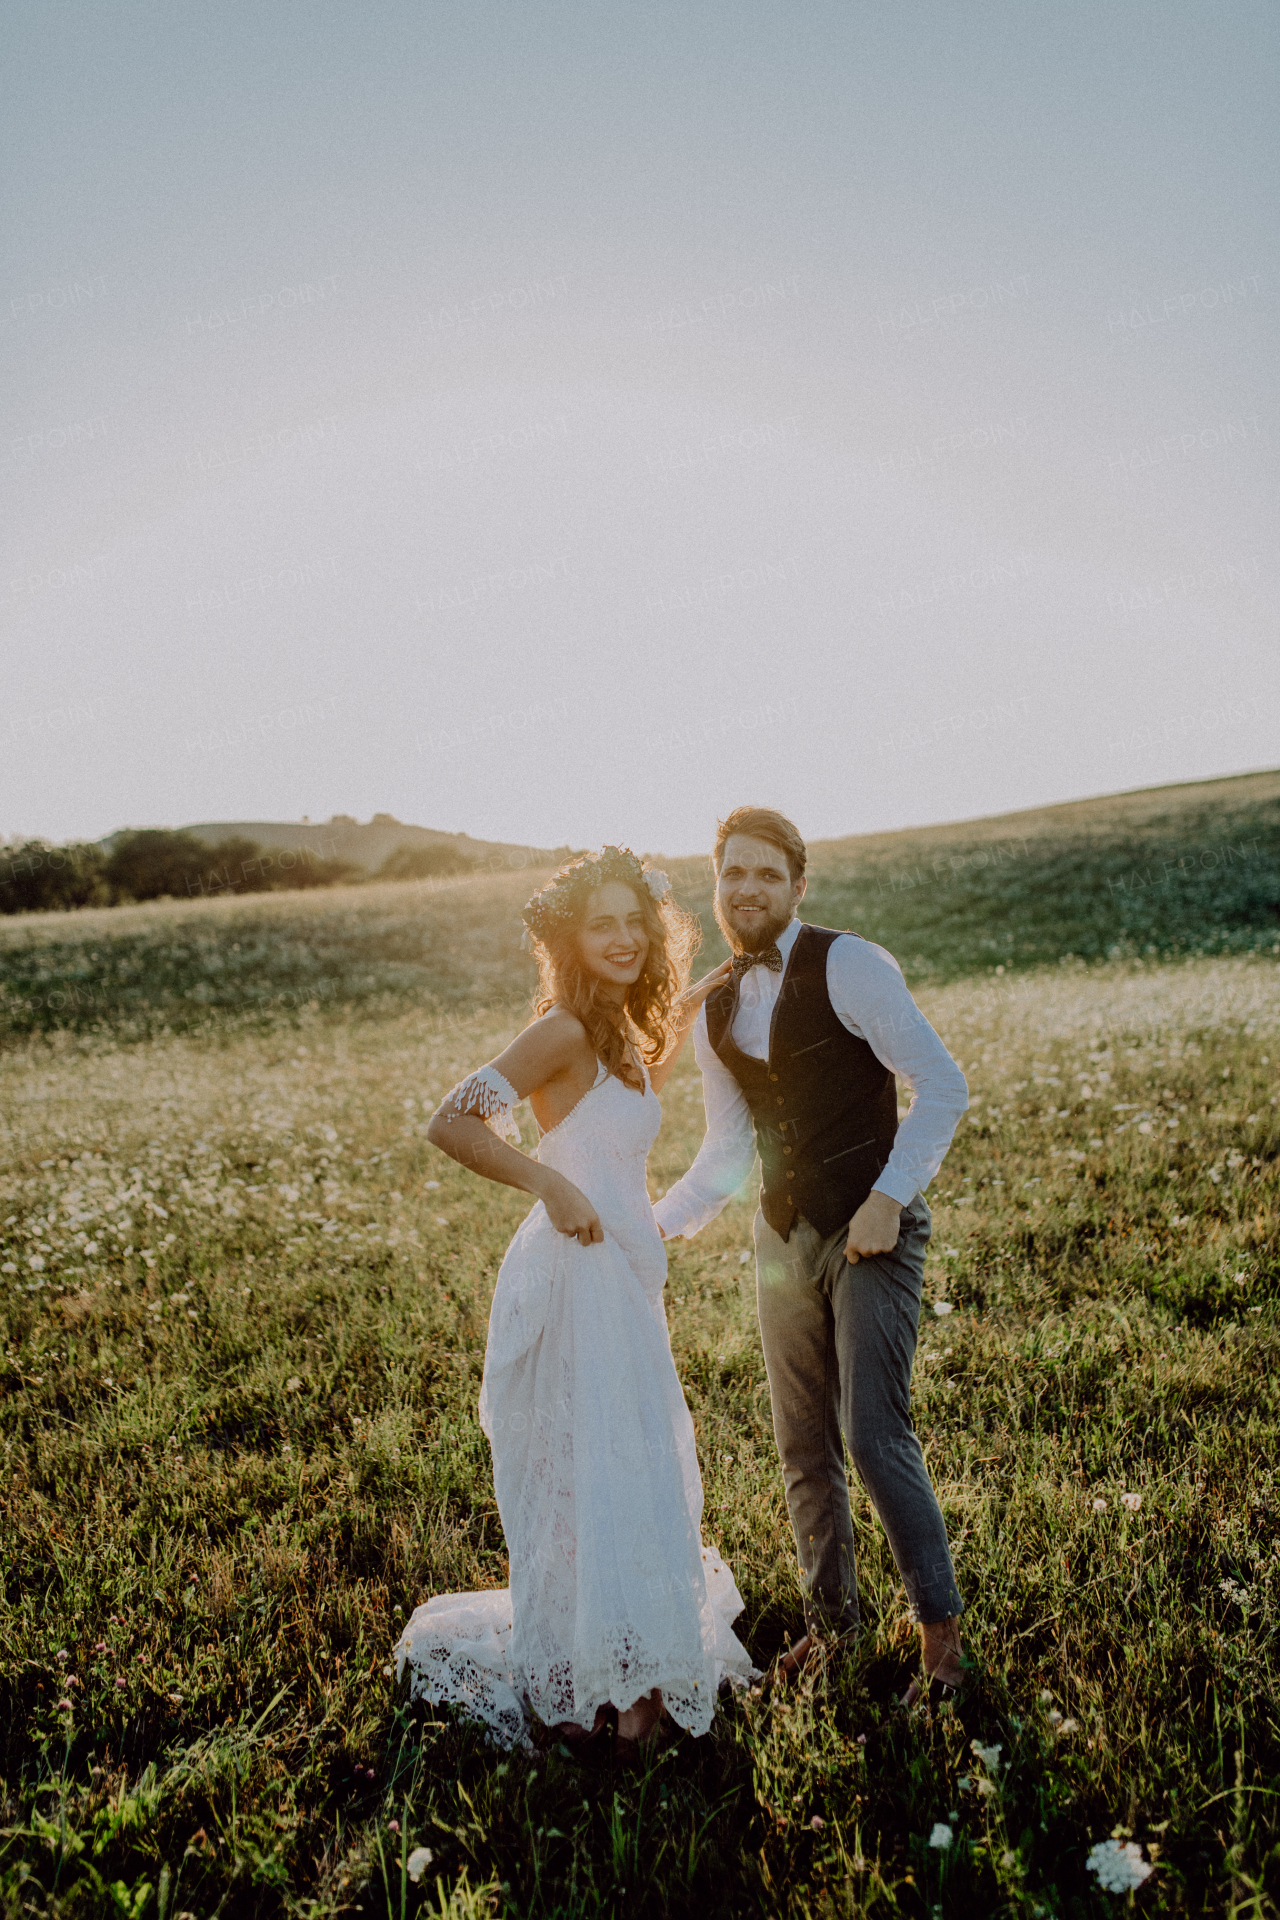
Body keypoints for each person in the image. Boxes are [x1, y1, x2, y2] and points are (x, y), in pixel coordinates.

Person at [394, 846, 755, 1756]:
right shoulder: (560, 1030)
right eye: (604, 924)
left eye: (637, 921)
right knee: (584, 1471)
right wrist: (548, 1185)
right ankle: (594, 1681)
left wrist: (700, 992)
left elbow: (635, 1086)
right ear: (570, 939)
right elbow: (451, 1120)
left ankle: (630, 1665)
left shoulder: (620, 1036)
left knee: (627, 1463)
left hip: (627, 1275)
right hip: (576, 1268)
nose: (625, 937)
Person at [653, 808, 969, 1708]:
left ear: (799, 884)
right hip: (780, 1237)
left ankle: (942, 1649)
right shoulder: (717, 997)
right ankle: (833, 1630)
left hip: (871, 1226)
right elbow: (726, 1148)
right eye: (730, 875)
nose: (745, 890)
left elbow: (943, 1086)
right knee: (802, 1443)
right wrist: (657, 1225)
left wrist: (887, 1200)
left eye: (764, 874)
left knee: (873, 1435)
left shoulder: (851, 963)